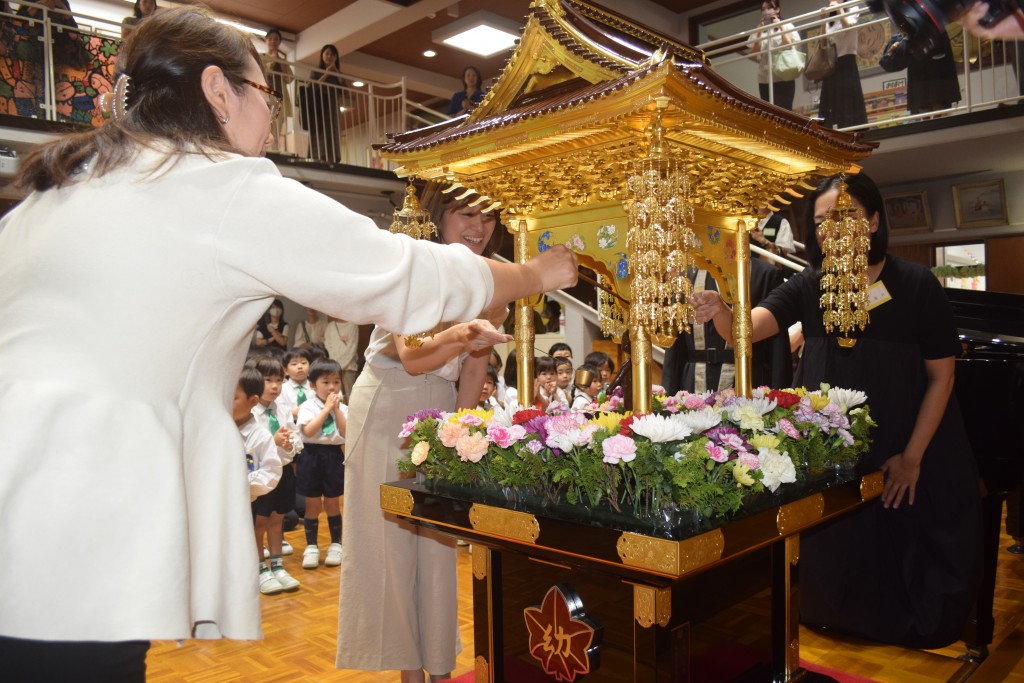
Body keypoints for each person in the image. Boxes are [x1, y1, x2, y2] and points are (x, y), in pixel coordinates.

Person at [0, 7, 578, 677]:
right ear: (218, 91)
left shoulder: (59, 192)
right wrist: (534, 274)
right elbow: (402, 274)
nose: (271, 121)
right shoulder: (217, 185)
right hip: (66, 514)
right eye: (264, 94)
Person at [691, 172, 982, 649]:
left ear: (873, 222)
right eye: (823, 221)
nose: (832, 229)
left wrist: (913, 457)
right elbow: (745, 330)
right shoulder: (812, 284)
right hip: (836, 450)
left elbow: (941, 377)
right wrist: (719, 307)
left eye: (845, 216)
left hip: (907, 441)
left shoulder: (915, 284)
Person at [336, 184, 513, 682]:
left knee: (437, 546)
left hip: (440, 410)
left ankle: (439, 670)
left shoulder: (492, 284)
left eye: (487, 217)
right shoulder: (413, 265)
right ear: (439, 215)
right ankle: (410, 674)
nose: (478, 227)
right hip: (388, 404)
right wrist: (462, 333)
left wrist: (460, 434)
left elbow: (475, 369)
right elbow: (412, 357)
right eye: (465, 214)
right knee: (390, 549)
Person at [662, 263, 791, 394]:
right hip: (694, 382)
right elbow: (674, 348)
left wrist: (781, 393)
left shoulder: (766, 274)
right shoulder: (686, 277)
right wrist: (668, 394)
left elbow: (778, 346)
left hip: (751, 380)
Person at [251, 356, 301, 593]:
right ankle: (260, 568)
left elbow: (294, 436)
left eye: (279, 380)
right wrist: (274, 441)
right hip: (261, 475)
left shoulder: (281, 407)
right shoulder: (250, 412)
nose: (274, 386)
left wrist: (291, 444)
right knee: (259, 522)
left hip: (283, 472)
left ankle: (278, 566)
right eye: (268, 380)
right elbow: (250, 448)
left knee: (277, 520)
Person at [235, 367, 286, 595]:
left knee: (251, 534)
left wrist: (243, 484)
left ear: (252, 401)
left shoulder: (260, 435)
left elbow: (271, 470)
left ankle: (260, 570)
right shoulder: (216, 429)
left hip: (246, 500)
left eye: (233, 398)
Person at [297, 357, 348, 570]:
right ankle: (311, 547)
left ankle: (336, 544)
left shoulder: (343, 408)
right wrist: (326, 409)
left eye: (336, 382)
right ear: (312, 385)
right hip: (311, 456)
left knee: (333, 502)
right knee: (313, 504)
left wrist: (337, 410)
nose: (332, 387)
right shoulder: (308, 406)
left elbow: (347, 433)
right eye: (325, 382)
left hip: (333, 456)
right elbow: (309, 431)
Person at [818, 0, 867, 129]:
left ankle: (852, 130)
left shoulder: (852, 8)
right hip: (831, 63)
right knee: (831, 102)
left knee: (848, 100)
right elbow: (822, 43)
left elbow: (848, 26)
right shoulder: (830, 16)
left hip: (847, 60)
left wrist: (839, 8)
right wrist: (823, 20)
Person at [746, 0, 799, 110]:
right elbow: (752, 53)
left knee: (784, 112)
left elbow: (788, 44)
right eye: (763, 9)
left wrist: (780, 26)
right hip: (764, 78)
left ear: (777, 9)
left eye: (769, 8)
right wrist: (759, 32)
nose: (766, 11)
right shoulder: (760, 28)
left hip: (784, 76)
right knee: (769, 113)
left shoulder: (787, 25)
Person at [304, 44, 344, 163]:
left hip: (333, 107)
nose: (329, 56)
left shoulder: (338, 74)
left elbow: (345, 91)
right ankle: (317, 156)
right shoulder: (316, 71)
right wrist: (326, 73)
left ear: (336, 57)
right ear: (322, 55)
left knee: (333, 131)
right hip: (319, 106)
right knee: (319, 131)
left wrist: (337, 74)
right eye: (327, 53)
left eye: (332, 54)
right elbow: (312, 86)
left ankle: (333, 157)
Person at [262, 28, 293, 152]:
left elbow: (289, 78)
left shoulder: (282, 60)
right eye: (270, 39)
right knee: (265, 125)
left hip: (280, 98)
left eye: (276, 39)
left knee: (278, 127)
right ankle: (264, 150)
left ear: (279, 42)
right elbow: (264, 73)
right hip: (267, 96)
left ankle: (274, 151)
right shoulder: (261, 57)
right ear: (266, 41)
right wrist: (273, 60)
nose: (273, 41)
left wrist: (280, 61)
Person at [324, 316, 359, 400]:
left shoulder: (353, 325)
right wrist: (335, 365)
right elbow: (328, 346)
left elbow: (352, 348)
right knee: (336, 395)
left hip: (349, 368)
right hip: (333, 368)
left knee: (351, 396)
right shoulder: (330, 326)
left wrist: (338, 366)